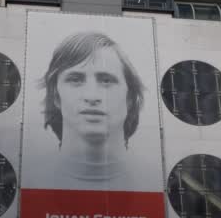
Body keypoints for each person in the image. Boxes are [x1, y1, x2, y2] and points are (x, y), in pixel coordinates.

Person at [40, 32, 145, 181]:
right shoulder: (34, 178)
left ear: (129, 97)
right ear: (56, 96)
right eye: (75, 79)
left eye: (106, 80)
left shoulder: (150, 177)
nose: (92, 96)